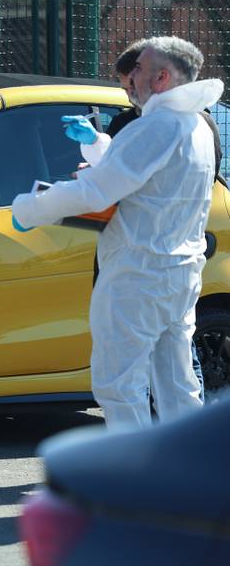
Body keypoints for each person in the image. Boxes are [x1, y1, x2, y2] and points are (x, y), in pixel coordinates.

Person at [12, 36, 224, 430]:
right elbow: (143, 172)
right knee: (177, 383)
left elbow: (97, 190)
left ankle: (133, 478)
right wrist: (97, 144)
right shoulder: (194, 126)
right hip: (178, 273)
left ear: (161, 78)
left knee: (118, 383)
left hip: (137, 275)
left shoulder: (158, 125)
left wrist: (30, 208)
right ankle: (189, 472)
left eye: (138, 71)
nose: (130, 81)